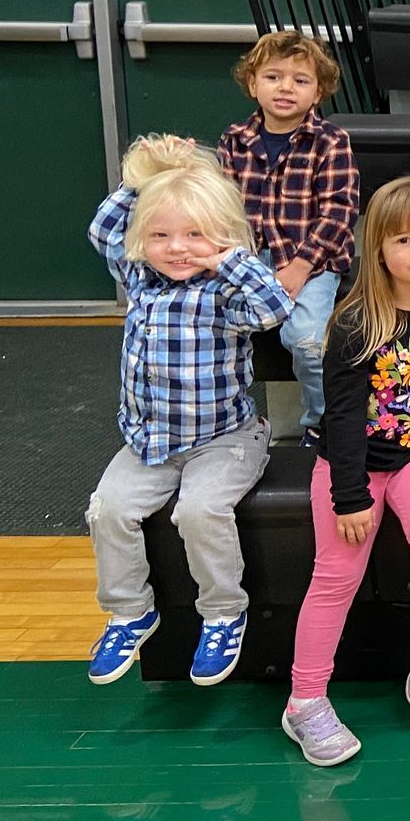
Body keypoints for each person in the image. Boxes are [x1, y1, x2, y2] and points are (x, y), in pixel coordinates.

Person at [282, 177, 410, 767]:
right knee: (337, 573)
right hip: (354, 464)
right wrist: (349, 497)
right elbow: (341, 418)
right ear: (378, 251)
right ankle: (304, 701)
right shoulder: (354, 323)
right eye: (404, 240)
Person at [83, 136, 291, 688]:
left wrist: (227, 258)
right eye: (161, 235)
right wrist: (147, 176)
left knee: (198, 513)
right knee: (108, 510)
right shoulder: (138, 281)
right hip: (151, 442)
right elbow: (104, 229)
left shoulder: (224, 291)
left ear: (222, 238)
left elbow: (275, 307)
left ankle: (223, 611)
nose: (177, 248)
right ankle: (130, 611)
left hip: (225, 439)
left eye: (195, 235)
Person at [218, 30, 359, 446]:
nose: (285, 88)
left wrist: (299, 269)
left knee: (308, 341)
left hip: (311, 260)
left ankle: (321, 419)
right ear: (252, 83)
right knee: (210, 326)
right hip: (249, 257)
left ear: (318, 92)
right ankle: (224, 419)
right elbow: (224, 208)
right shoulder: (234, 141)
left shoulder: (331, 142)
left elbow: (339, 212)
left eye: (300, 80)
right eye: (274, 77)